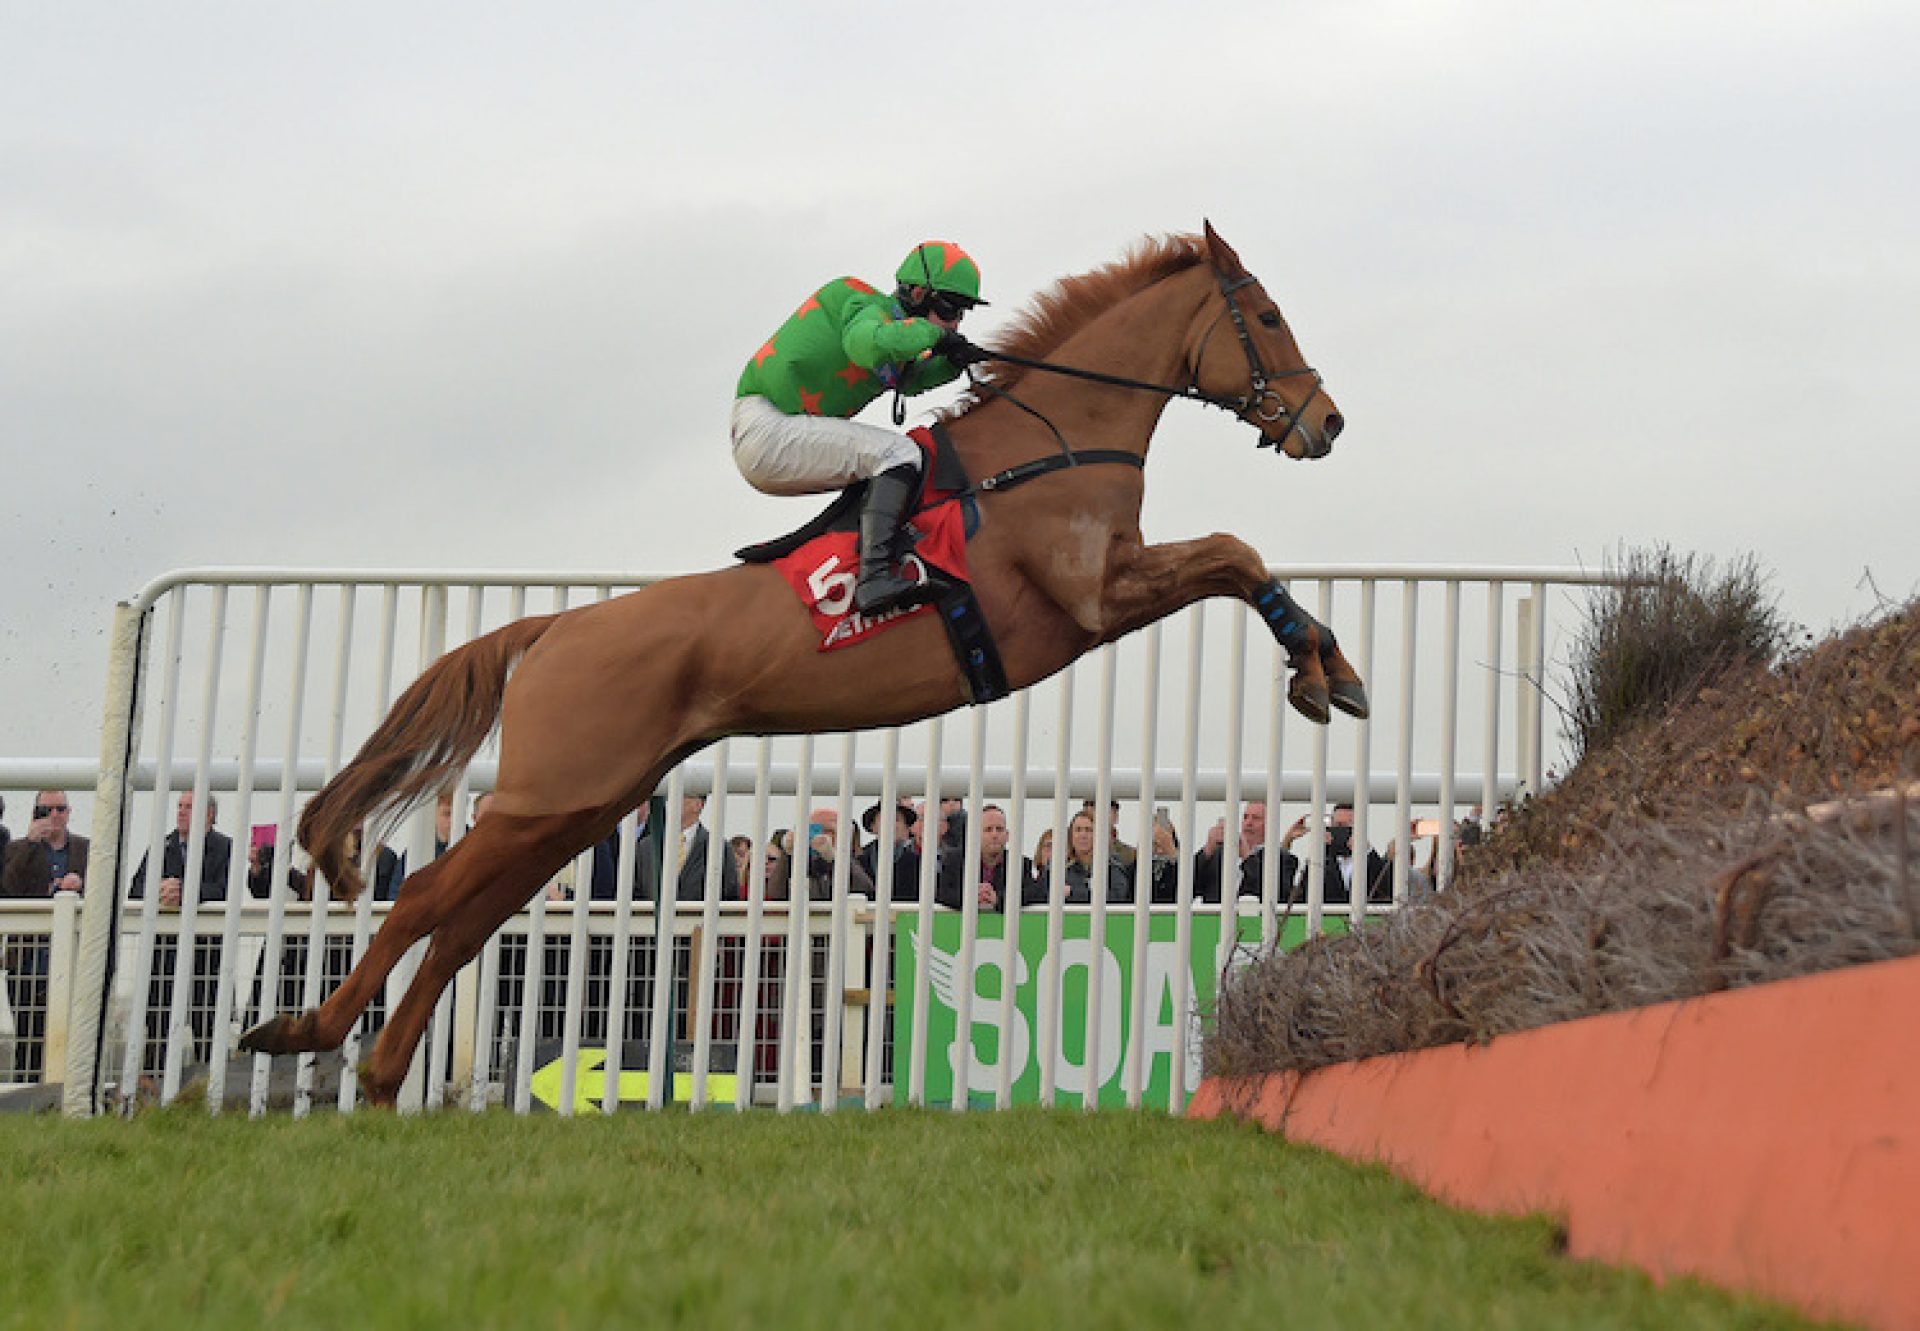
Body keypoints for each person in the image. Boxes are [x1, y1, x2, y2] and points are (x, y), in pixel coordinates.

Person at [731, 241, 989, 616]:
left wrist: (955, 362)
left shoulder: (896, 337)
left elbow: (910, 381)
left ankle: (871, 558)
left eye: (962, 313)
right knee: (899, 454)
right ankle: (874, 577)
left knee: (889, 461)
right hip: (767, 428)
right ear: (917, 294)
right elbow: (865, 346)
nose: (954, 323)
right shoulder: (858, 301)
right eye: (950, 308)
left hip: (777, 435)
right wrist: (933, 336)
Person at [129, 792, 236, 906]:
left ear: (209, 814)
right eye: (179, 806)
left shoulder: (225, 847)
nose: (181, 812)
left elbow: (225, 890)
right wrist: (159, 890)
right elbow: (136, 890)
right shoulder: (161, 847)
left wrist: (183, 892)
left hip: (207, 921)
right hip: (165, 920)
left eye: (189, 807)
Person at [1192, 801, 1299, 906]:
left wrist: (1247, 857)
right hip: (1214, 921)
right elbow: (1187, 887)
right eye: (1245, 817)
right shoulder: (1218, 855)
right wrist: (1207, 850)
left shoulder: (1283, 859)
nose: (1249, 823)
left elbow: (1279, 897)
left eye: (1256, 818)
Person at [935, 804, 1030, 912]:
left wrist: (998, 899)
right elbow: (941, 893)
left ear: (1007, 835)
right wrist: (972, 897)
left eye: (999, 829)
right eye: (988, 830)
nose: (994, 835)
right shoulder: (955, 861)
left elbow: (1032, 895)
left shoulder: (1020, 864)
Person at [1292, 803, 1391, 906]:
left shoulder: (1371, 860)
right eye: (1338, 826)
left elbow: (1383, 887)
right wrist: (1321, 849)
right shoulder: (1321, 859)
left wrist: (1367, 851)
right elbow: (1305, 891)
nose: (1342, 831)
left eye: (1348, 826)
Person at [1029, 809, 1131, 905]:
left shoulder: (1113, 864)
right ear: (1071, 835)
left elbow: (1117, 897)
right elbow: (1041, 896)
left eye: (1089, 830)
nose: (1083, 835)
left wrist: (1072, 892)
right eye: (1078, 830)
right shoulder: (1056, 866)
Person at [1, 789, 89, 897]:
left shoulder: (86, 848)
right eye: (47, 810)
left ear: (68, 812)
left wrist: (81, 885)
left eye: (60, 809)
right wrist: (29, 843)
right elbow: (8, 887)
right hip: (33, 912)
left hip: (75, 911)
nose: (54, 814)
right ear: (35, 814)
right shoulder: (14, 849)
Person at [856, 801, 922, 902]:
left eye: (896, 820)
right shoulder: (860, 860)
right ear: (873, 827)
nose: (891, 824)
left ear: (905, 827)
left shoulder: (918, 861)